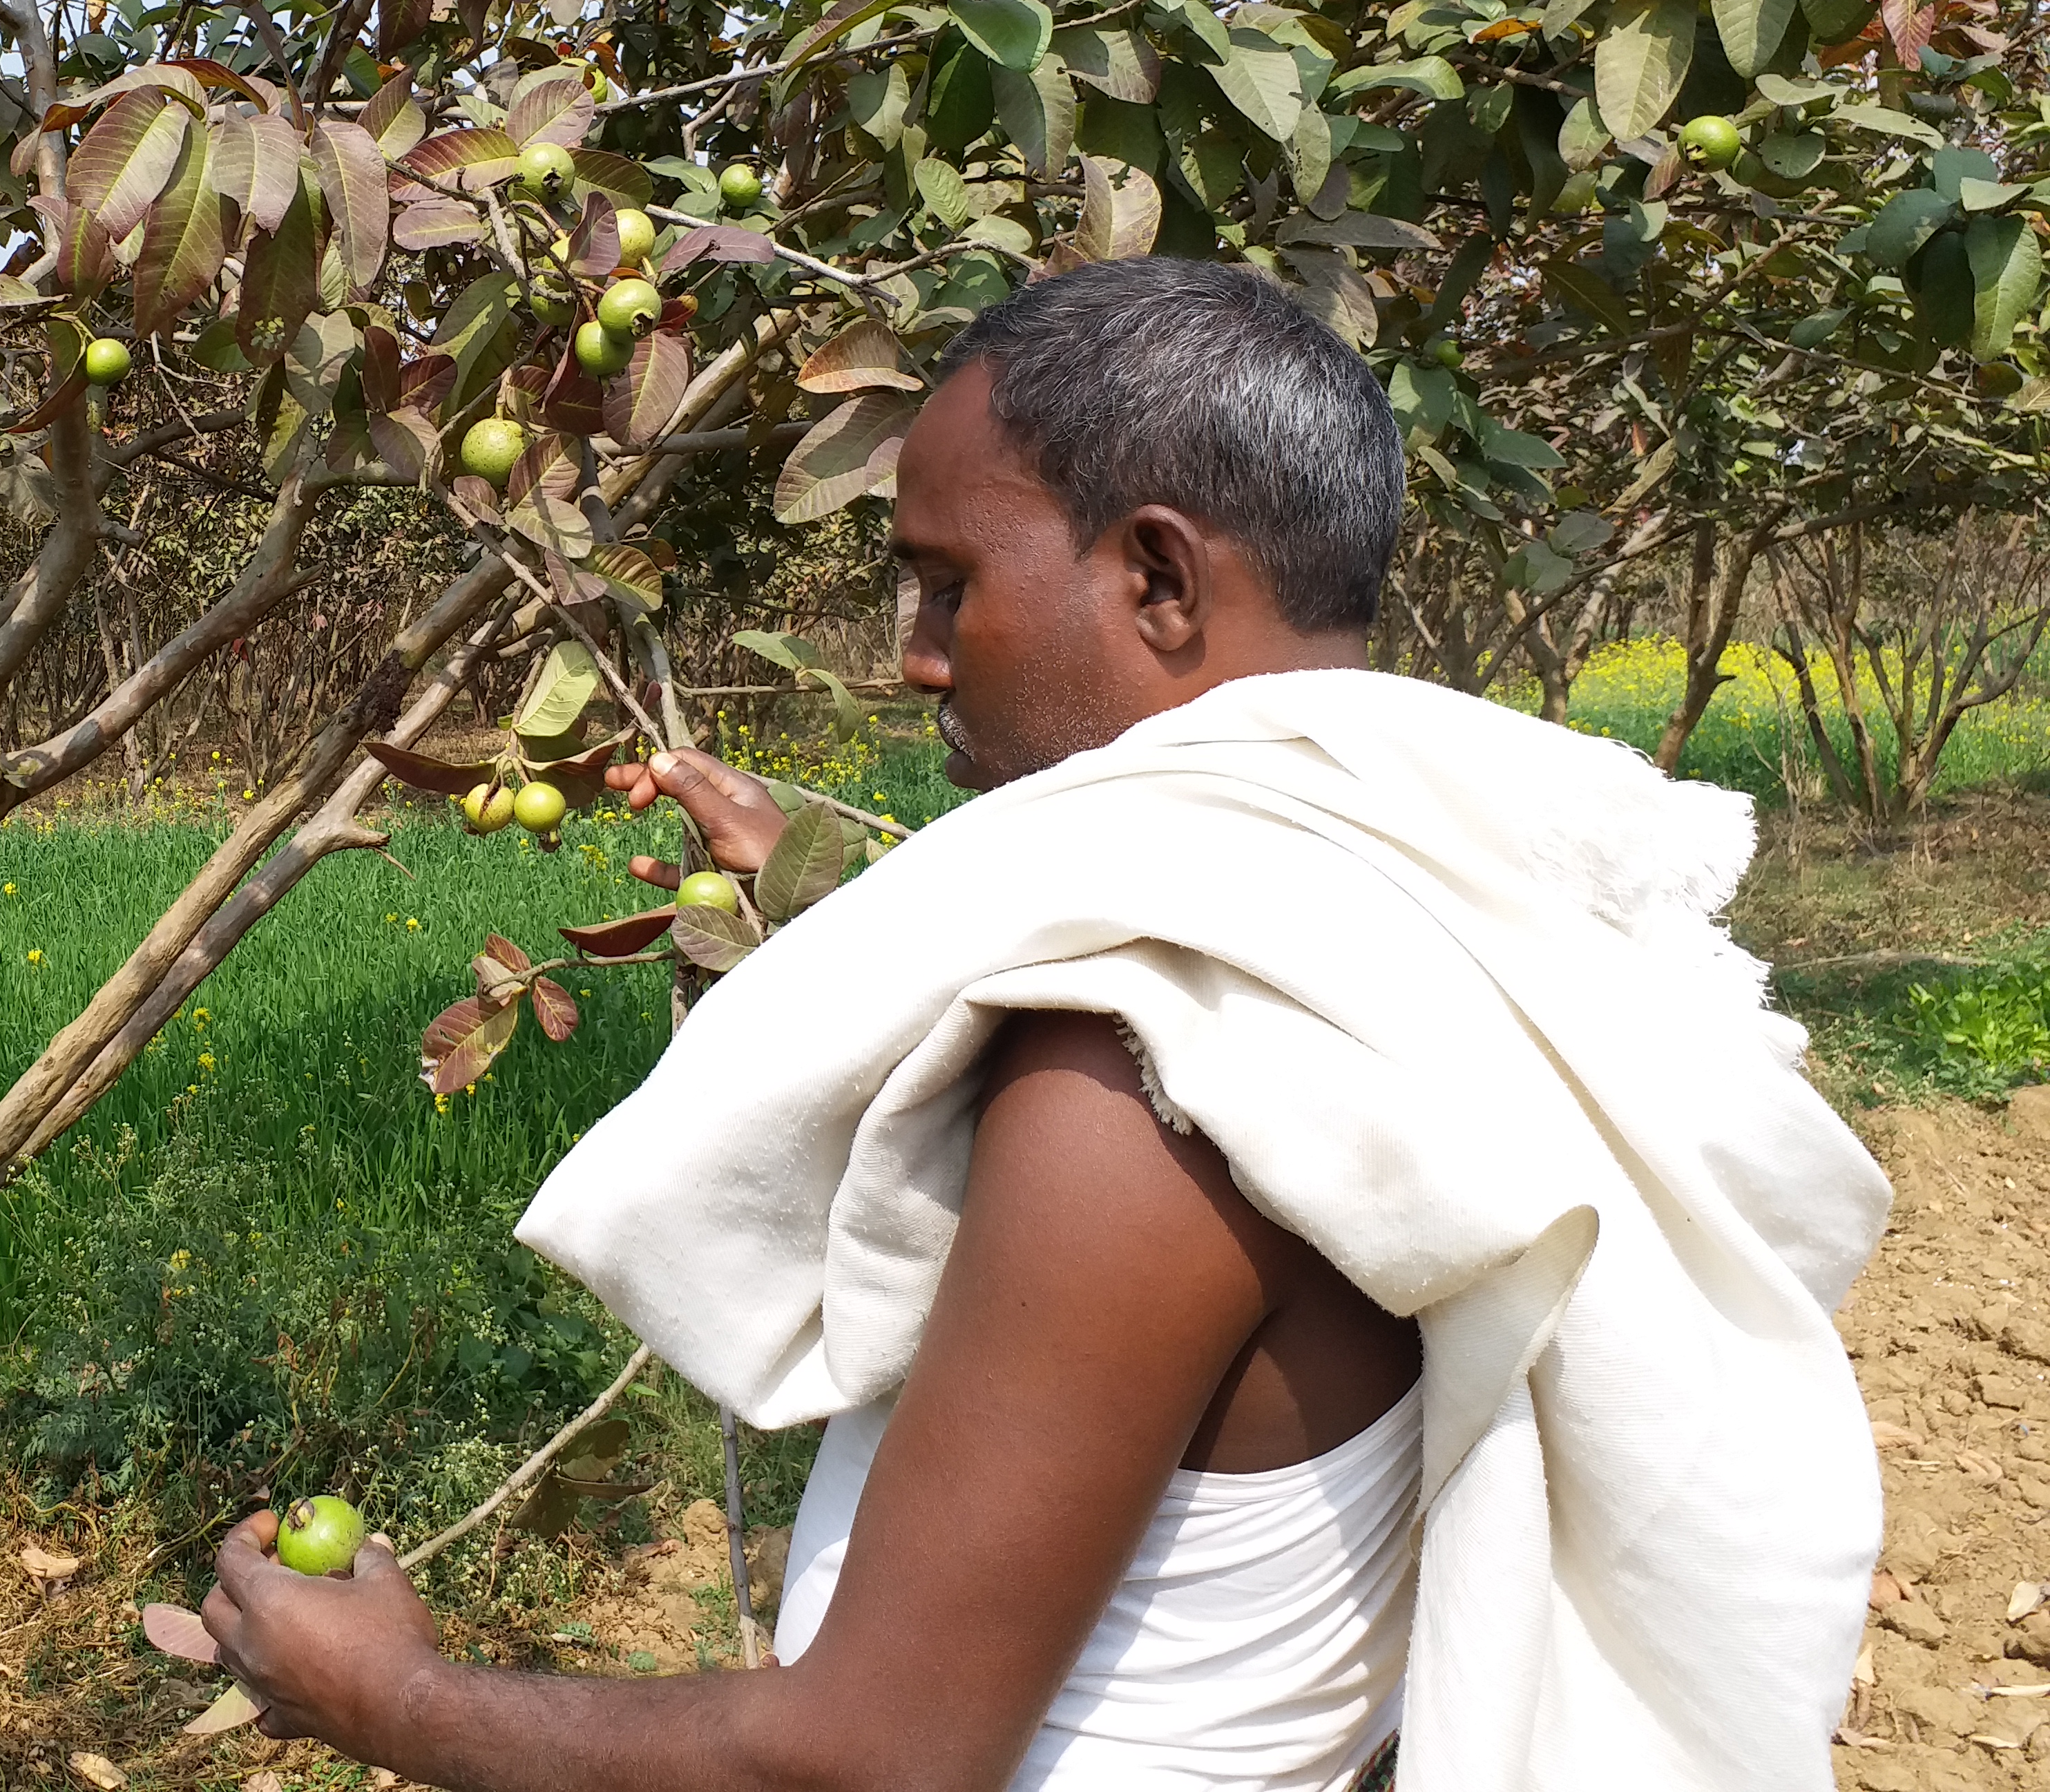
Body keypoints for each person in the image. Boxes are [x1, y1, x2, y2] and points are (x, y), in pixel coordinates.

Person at [205, 257, 1889, 1792]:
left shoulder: (1145, 1060)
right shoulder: (1421, 907)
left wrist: (386, 1696)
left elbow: (870, 1764)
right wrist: (815, 901)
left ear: (1159, 575)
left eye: (947, 584)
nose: (917, 657)